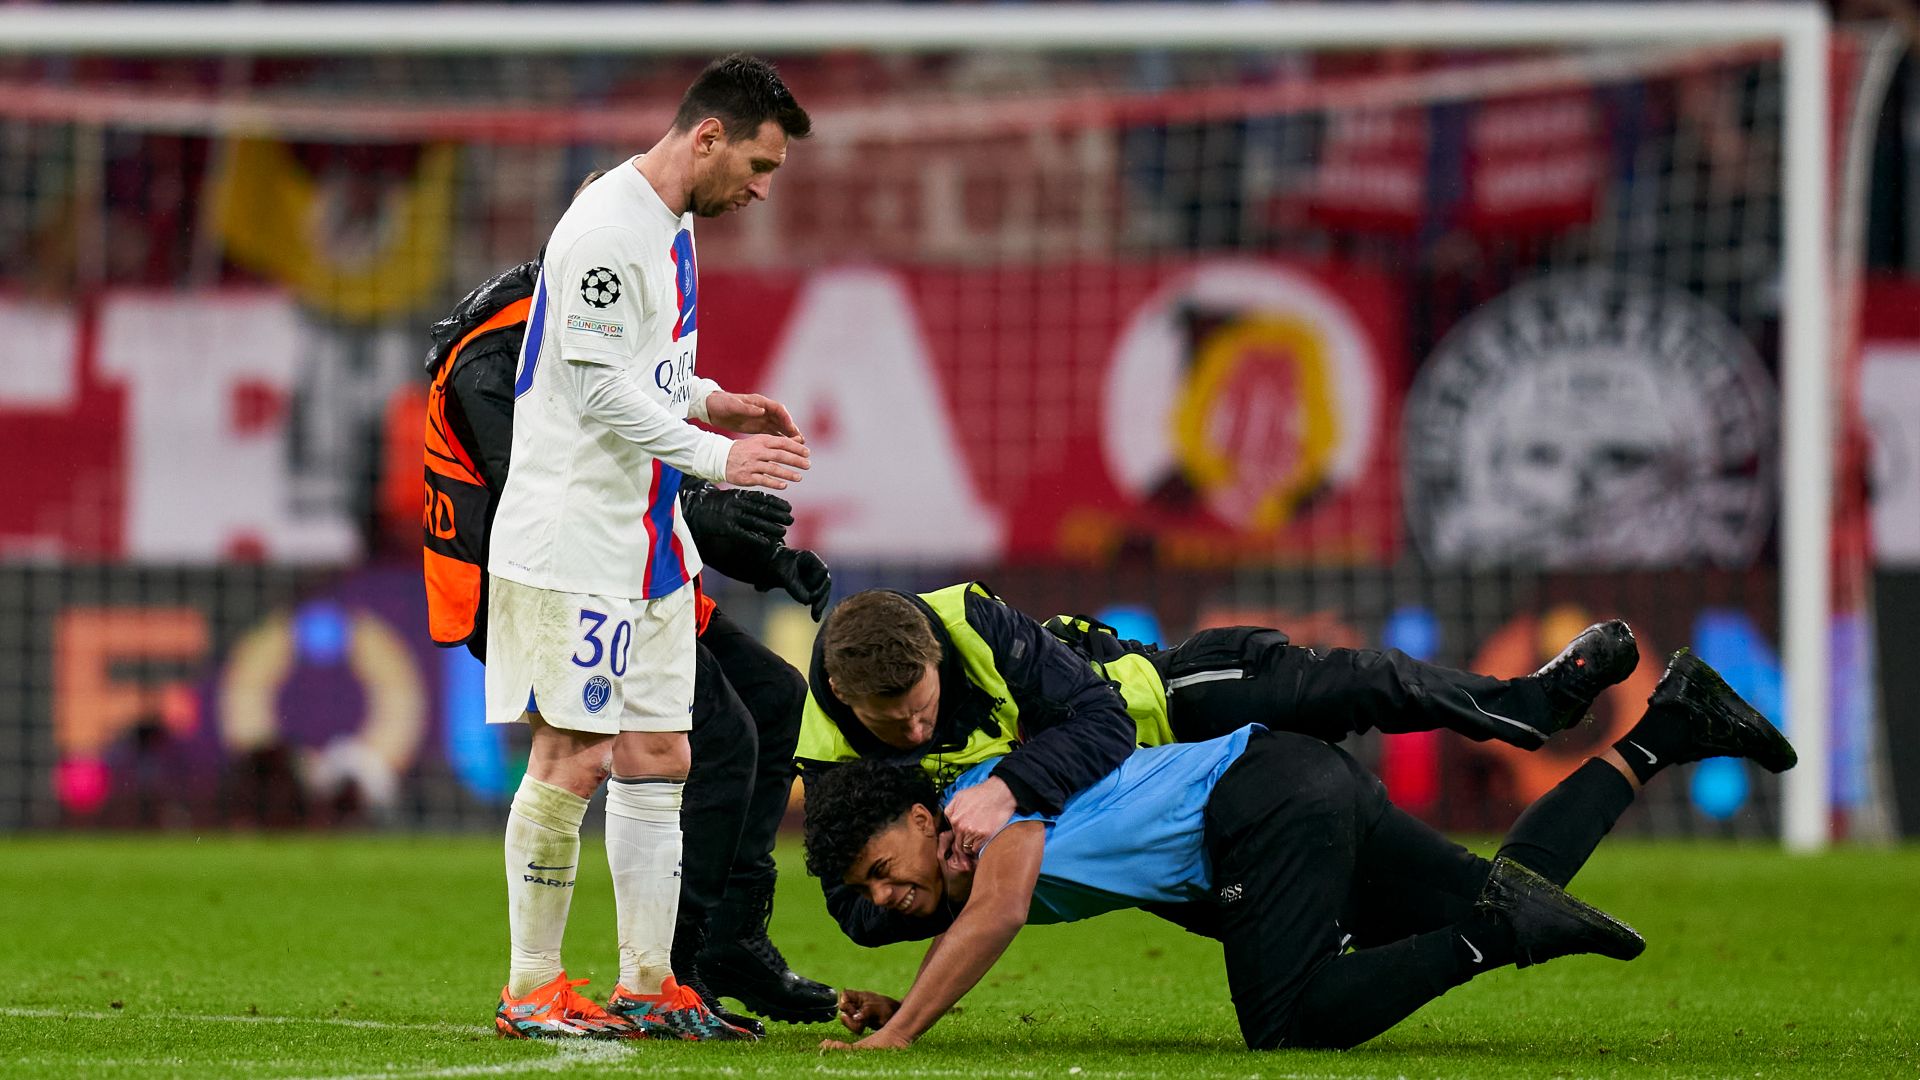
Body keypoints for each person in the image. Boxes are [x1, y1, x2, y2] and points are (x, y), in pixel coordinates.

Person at [801, 649, 1798, 1051]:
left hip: (1264, 807)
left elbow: (1002, 910)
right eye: (869, 893)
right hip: (1291, 788)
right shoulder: (962, 841)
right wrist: (904, 1001)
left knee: (1284, 1023)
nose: (883, 898)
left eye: (879, 870)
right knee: (1494, 888)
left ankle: (1499, 935)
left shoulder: (980, 806)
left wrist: (903, 1035)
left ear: (922, 820)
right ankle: (1671, 726)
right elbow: (978, 914)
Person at [478, 54, 813, 1040]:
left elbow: (647, 367)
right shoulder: (602, 229)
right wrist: (719, 454)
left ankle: (647, 981)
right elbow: (593, 389)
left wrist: (713, 398)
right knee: (572, 754)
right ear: (707, 137)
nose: (761, 188)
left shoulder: (672, 223)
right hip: (575, 536)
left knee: (662, 752)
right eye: (758, 164)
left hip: (649, 539)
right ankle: (532, 985)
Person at [796, 582, 1639, 945]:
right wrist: (937, 889)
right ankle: (1508, 911)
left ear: (932, 652)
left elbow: (1102, 720)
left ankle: (1529, 706)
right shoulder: (824, 746)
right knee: (1344, 917)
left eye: (925, 705)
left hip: (1170, 704)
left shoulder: (966, 619)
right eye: (892, 723)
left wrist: (1010, 788)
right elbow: (852, 909)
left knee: (1356, 681)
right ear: (841, 691)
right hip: (1140, 832)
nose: (916, 729)